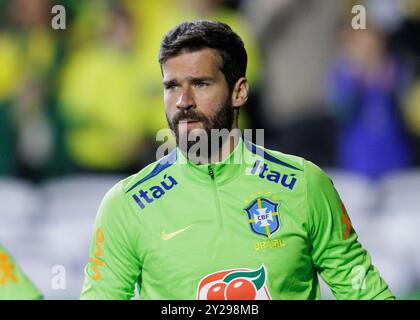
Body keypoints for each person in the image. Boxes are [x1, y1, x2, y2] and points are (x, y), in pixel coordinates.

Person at [80, 20, 394, 300]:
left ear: (239, 91)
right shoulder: (127, 204)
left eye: (200, 84)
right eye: (172, 86)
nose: (183, 101)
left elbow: (364, 291)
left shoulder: (305, 184)